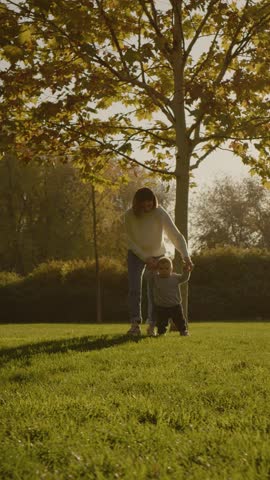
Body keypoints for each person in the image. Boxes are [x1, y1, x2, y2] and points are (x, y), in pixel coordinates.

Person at [124, 187, 193, 335]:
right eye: (144, 206)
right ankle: (135, 324)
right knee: (134, 288)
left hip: (157, 255)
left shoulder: (160, 213)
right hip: (136, 255)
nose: (147, 209)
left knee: (154, 291)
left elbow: (175, 235)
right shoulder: (129, 216)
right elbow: (130, 241)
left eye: (150, 205)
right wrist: (145, 258)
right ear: (137, 204)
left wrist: (185, 255)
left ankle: (152, 325)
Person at [151, 256, 190, 336]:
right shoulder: (155, 278)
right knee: (161, 322)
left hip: (175, 305)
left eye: (166, 268)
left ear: (171, 269)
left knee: (180, 320)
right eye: (161, 269)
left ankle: (183, 331)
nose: (164, 270)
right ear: (157, 269)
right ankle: (161, 333)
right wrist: (152, 267)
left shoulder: (175, 277)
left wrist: (186, 271)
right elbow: (147, 276)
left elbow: (184, 278)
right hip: (161, 306)